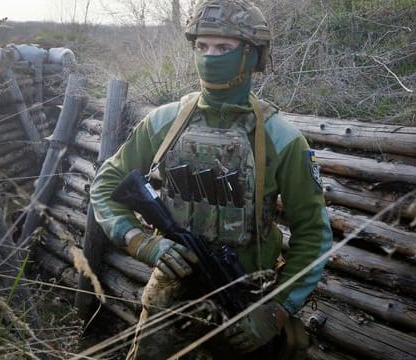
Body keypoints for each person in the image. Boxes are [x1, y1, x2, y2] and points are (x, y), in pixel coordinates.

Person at [90, 0, 333, 358]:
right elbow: (105, 186)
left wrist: (274, 312)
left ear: (251, 55)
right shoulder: (164, 123)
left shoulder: (281, 138)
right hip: (168, 302)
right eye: (201, 46)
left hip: (243, 307)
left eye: (223, 47)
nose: (209, 56)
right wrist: (143, 243)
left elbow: (313, 234)